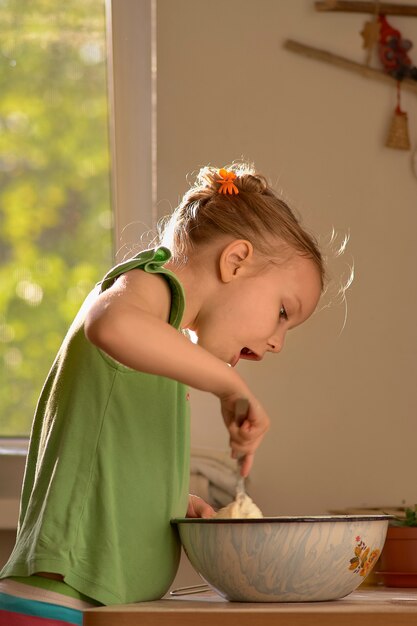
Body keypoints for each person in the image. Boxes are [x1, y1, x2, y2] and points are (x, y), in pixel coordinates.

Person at [0, 163, 325, 625]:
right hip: (60, 599)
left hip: (99, 599)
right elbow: (109, 324)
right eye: (281, 312)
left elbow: (108, 458)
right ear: (235, 260)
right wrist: (229, 383)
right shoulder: (152, 286)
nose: (278, 341)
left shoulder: (163, 345)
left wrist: (168, 501)